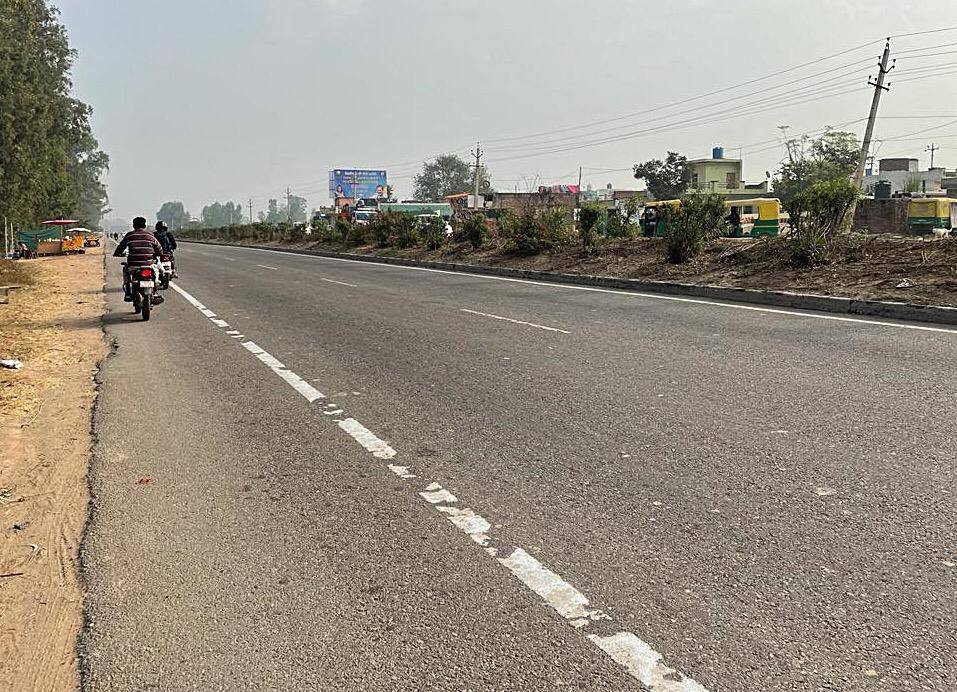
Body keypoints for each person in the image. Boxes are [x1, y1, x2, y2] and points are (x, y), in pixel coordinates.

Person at [113, 217, 163, 302]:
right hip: (148, 265)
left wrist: (117, 254)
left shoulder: (130, 235)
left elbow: (121, 247)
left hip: (133, 266)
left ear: (133, 225)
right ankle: (154, 293)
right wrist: (158, 254)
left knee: (125, 270)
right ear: (144, 225)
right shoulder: (150, 235)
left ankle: (128, 293)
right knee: (155, 273)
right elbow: (159, 248)